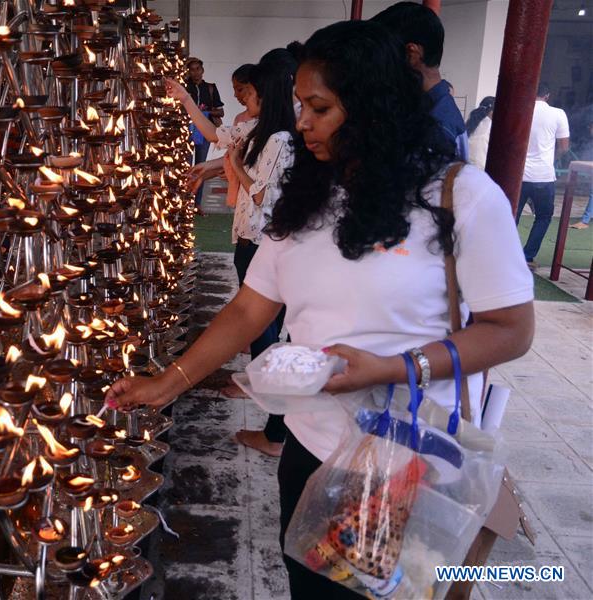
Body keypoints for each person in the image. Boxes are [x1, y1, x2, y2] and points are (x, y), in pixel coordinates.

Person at [108, 20, 534, 597]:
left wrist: (393, 368)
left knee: (386, 591)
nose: (303, 121)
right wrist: (167, 384)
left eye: (321, 107)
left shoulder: (460, 196)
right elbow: (249, 309)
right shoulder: (309, 197)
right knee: (314, 588)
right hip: (313, 451)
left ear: (372, 108)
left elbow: (509, 330)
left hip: (406, 457)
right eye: (300, 105)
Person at [168, 49, 298, 457]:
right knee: (260, 327)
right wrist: (187, 103)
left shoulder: (278, 138)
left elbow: (261, 193)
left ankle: (276, 427)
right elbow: (219, 142)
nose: (244, 101)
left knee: (265, 331)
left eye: (250, 95)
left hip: (263, 238)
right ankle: (266, 400)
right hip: (248, 236)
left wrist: (237, 165)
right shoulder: (261, 132)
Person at [372, 1, 468, 161]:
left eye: (384, 55)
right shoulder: (427, 107)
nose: (379, 65)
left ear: (411, 54)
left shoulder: (436, 129)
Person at [187, 63, 257, 206]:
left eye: (242, 90)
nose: (238, 96)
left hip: (253, 206)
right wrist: (208, 169)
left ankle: (197, 204)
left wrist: (186, 100)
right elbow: (236, 156)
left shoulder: (278, 135)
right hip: (244, 206)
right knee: (192, 168)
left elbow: (215, 135)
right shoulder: (245, 122)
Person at [517, 82, 570, 268]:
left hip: (519, 175)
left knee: (510, 216)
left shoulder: (521, 111)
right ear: (547, 95)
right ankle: (527, 255)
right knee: (543, 216)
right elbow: (564, 147)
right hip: (543, 175)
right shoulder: (558, 114)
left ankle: (504, 253)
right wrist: (552, 159)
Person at [184, 57, 224, 212]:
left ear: (202, 70)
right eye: (192, 69)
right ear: (188, 71)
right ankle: (184, 202)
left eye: (198, 69)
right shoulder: (185, 87)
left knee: (201, 167)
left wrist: (203, 112)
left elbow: (220, 111)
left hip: (204, 131)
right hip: (186, 131)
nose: (195, 72)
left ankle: (197, 203)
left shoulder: (210, 88)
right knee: (186, 167)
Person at [467, 96, 494, 170]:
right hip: (480, 167)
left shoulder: (470, 120)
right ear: (491, 112)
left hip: (465, 164)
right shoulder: (490, 125)